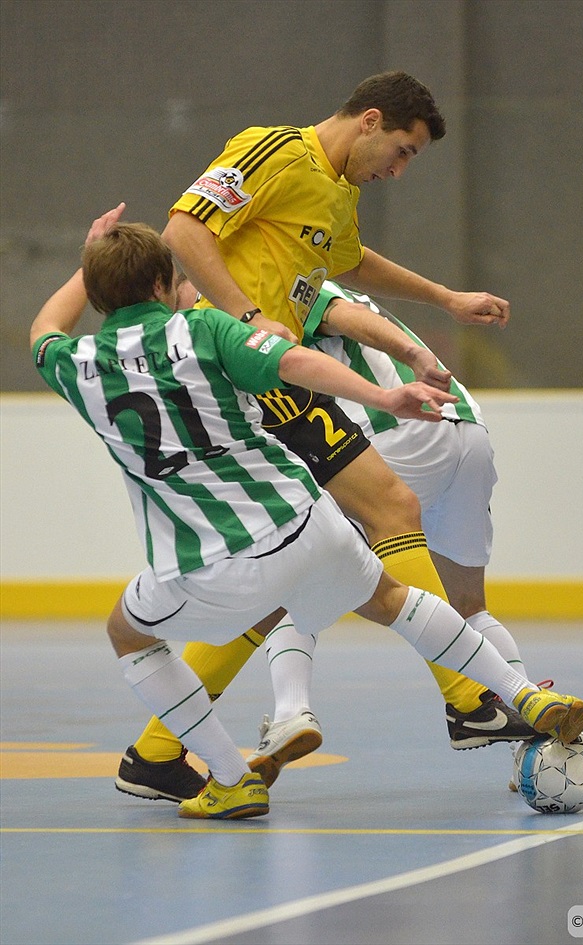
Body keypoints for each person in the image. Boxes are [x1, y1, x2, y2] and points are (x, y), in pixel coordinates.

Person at [30, 207, 583, 820]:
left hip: (205, 561)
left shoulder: (72, 363)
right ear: (166, 283)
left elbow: (44, 327)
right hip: (303, 519)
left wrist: (93, 256)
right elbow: (293, 362)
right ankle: (516, 695)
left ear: (98, 293)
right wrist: (385, 395)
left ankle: (230, 775)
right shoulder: (205, 329)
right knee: (395, 600)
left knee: (128, 633)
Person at [114, 71, 524, 801]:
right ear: (369, 121)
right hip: (241, 376)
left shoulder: (338, 192)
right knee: (383, 512)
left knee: (311, 561)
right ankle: (469, 699)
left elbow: (349, 262)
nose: (398, 169)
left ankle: (153, 753)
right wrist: (242, 316)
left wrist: (445, 297)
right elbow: (183, 229)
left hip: (278, 383)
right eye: (401, 151)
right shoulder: (273, 150)